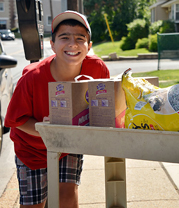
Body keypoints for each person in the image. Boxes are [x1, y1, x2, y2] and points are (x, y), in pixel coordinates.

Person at [5, 10, 110, 208]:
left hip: (70, 143)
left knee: (67, 197)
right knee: (34, 204)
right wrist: (47, 130)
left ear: (89, 46)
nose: (73, 44)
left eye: (80, 38)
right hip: (32, 150)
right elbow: (16, 122)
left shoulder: (97, 70)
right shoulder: (32, 77)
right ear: (52, 45)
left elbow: (105, 106)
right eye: (64, 37)